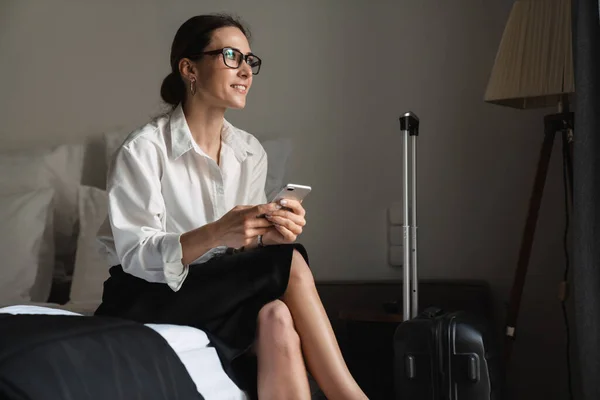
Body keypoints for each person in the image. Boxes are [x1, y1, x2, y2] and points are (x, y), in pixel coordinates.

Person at [95, 13, 368, 400]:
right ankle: (349, 395)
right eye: (230, 56)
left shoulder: (248, 151)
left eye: (249, 60)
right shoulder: (143, 149)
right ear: (189, 68)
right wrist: (217, 232)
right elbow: (138, 256)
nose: (245, 71)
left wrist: (266, 236)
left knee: (276, 315)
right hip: (144, 296)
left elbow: (237, 254)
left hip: (212, 290)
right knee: (289, 262)